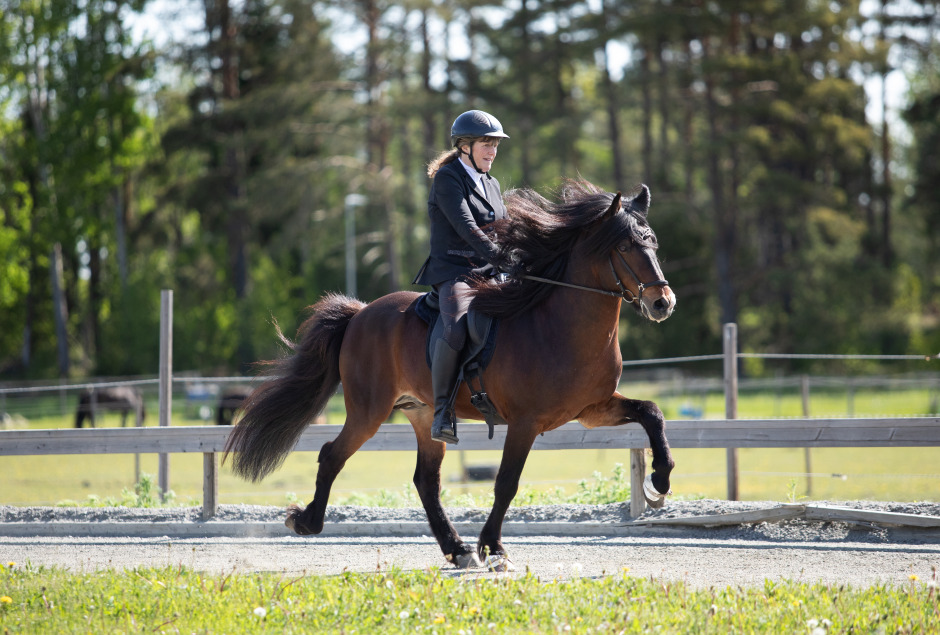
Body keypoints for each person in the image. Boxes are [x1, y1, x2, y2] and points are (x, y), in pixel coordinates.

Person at [413, 109, 512, 444]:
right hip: (455, 271)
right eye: (486, 143)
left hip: (489, 271)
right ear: (464, 146)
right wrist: (500, 255)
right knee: (455, 325)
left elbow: (505, 228)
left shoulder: (492, 183)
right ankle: (442, 412)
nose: (492, 151)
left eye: (495, 145)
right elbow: (467, 228)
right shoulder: (448, 179)